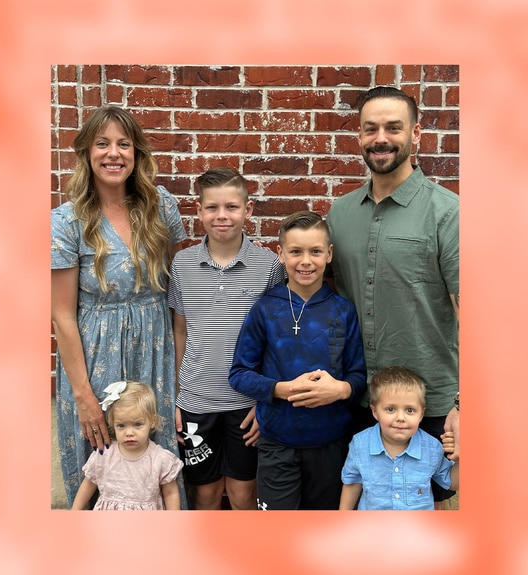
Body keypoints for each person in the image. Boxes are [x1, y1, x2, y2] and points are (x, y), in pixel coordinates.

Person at [326, 86, 459, 507]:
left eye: (393, 127)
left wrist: (465, 403)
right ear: (360, 138)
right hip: (357, 399)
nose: (381, 137)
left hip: (429, 405)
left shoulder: (449, 212)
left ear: (417, 134)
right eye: (371, 128)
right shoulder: (340, 213)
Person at [51, 104, 187, 508]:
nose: (114, 153)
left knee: (156, 458)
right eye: (102, 144)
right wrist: (83, 395)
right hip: (95, 357)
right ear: (86, 154)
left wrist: (181, 379)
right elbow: (61, 313)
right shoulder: (67, 220)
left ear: (137, 153)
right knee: (102, 457)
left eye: (124, 144)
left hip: (154, 350)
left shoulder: (160, 206)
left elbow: (178, 291)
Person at [229, 211, 367, 510]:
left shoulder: (343, 310)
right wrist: (280, 389)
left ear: (329, 254)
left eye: (315, 251)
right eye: (296, 252)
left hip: (331, 443)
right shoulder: (265, 309)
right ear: (280, 253)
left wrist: (341, 390)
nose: (306, 261)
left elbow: (358, 374)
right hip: (278, 443)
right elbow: (239, 373)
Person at [168, 167, 285, 510]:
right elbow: (180, 330)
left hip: (245, 404)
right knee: (203, 494)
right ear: (199, 210)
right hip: (195, 403)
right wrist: (177, 395)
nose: (222, 216)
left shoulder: (268, 266)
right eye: (212, 207)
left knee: (243, 493)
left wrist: (263, 400)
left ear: (247, 210)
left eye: (232, 207)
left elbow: (276, 341)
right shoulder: (182, 264)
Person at [339, 366, 458, 510]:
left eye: (410, 410)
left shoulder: (432, 447)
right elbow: (352, 483)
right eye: (390, 409)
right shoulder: (360, 444)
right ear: (375, 412)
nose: (400, 418)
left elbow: (453, 482)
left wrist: (462, 458)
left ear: (421, 414)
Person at [72, 381, 184, 510]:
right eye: (121, 426)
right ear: (112, 424)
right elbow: (88, 484)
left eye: (137, 424)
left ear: (152, 421)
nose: (129, 433)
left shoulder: (161, 459)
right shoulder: (104, 455)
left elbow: (170, 493)